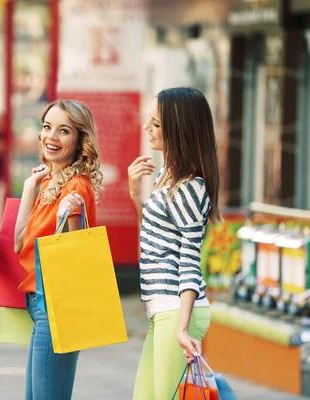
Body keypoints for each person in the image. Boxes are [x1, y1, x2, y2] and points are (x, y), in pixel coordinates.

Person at [128, 87, 221, 400]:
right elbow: (153, 239)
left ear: (178, 131)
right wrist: (134, 194)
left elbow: (189, 260)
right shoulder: (166, 176)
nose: (147, 129)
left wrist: (183, 328)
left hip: (177, 310)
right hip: (162, 310)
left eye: (155, 124)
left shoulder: (190, 188)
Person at [13, 100, 103, 400]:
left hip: (56, 304)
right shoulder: (51, 181)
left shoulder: (75, 187)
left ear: (80, 140)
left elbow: (75, 255)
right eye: (47, 127)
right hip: (41, 303)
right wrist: (29, 187)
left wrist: (68, 216)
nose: (50, 136)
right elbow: (19, 242)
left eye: (63, 131)